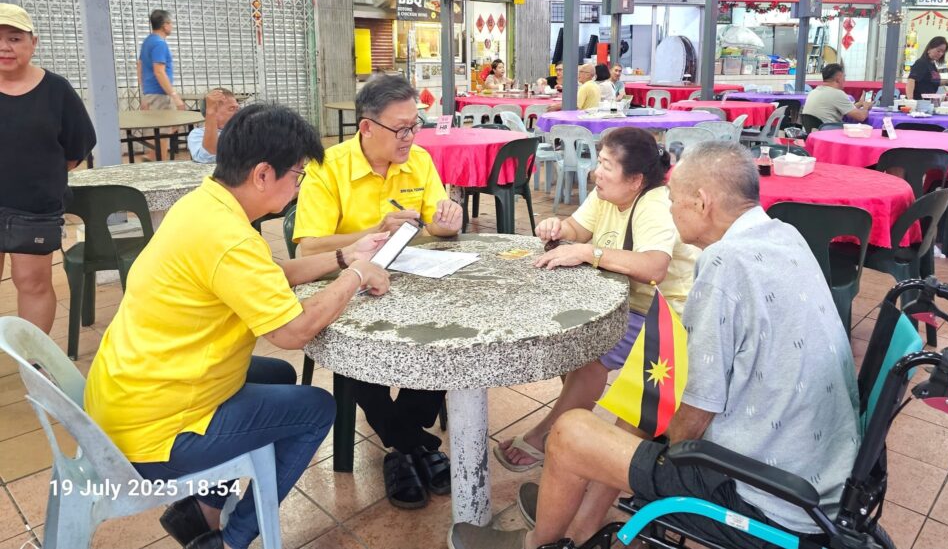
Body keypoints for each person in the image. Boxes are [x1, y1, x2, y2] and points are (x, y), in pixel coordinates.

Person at [451, 141, 859, 549]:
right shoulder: (784, 234)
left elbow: (696, 412)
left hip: (765, 496)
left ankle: (535, 543)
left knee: (574, 431)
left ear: (702, 203)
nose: (669, 209)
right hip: (826, 481)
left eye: (675, 200)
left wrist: (661, 467)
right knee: (633, 402)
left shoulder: (723, 265)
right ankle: (578, 528)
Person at [84, 104, 391, 549]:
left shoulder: (204, 205)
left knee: (279, 377)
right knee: (317, 409)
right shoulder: (230, 239)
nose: (299, 186)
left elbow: (270, 275)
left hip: (128, 392)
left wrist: (346, 256)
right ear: (264, 174)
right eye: (298, 175)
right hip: (153, 433)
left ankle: (202, 510)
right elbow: (292, 333)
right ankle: (234, 537)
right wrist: (357, 277)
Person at [292, 74, 463, 509]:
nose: (409, 137)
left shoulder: (419, 161)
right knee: (356, 347)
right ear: (366, 127)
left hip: (411, 281)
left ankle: (403, 444)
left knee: (447, 341)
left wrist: (448, 221)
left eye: (414, 125)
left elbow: (436, 225)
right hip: (347, 288)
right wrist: (371, 233)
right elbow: (307, 246)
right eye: (399, 128)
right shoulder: (327, 168)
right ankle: (412, 443)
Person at [494, 127, 699, 473]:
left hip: (665, 313)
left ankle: (547, 435)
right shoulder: (606, 194)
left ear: (635, 180)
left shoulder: (654, 206)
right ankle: (571, 420)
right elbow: (578, 228)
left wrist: (590, 252)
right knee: (569, 336)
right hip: (625, 301)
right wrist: (558, 229)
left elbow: (655, 267)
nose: (595, 172)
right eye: (598, 161)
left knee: (591, 354)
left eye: (606, 165)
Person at [0, 3, 96, 335]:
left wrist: (37, 175)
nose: (4, 47)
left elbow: (77, 146)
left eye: (14, 38)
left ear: (32, 42)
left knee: (33, 282)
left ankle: (33, 366)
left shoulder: (56, 91)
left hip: (35, 207)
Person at [138, 9, 185, 111]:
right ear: (165, 25)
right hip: (160, 97)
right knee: (166, 126)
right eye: (171, 23)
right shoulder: (160, 44)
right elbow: (159, 72)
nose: (172, 26)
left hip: (150, 96)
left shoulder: (147, 42)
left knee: (152, 126)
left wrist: (144, 95)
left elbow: (139, 67)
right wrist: (174, 96)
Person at [802, 63, 871, 128]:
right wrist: (866, 107)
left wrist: (859, 104)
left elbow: (844, 109)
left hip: (815, 132)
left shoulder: (814, 91)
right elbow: (861, 117)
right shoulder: (837, 93)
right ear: (838, 79)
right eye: (844, 77)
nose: (845, 80)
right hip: (829, 131)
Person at [187, 88, 240, 163]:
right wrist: (211, 112)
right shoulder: (198, 134)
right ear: (213, 112)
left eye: (237, 109)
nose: (238, 113)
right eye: (231, 109)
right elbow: (207, 158)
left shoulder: (244, 130)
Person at [907, 36, 948, 100]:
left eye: (943, 52)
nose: (940, 54)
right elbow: (911, 80)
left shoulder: (932, 64)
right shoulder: (921, 63)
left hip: (929, 101)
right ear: (929, 48)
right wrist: (910, 101)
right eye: (938, 51)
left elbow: (932, 82)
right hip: (919, 101)